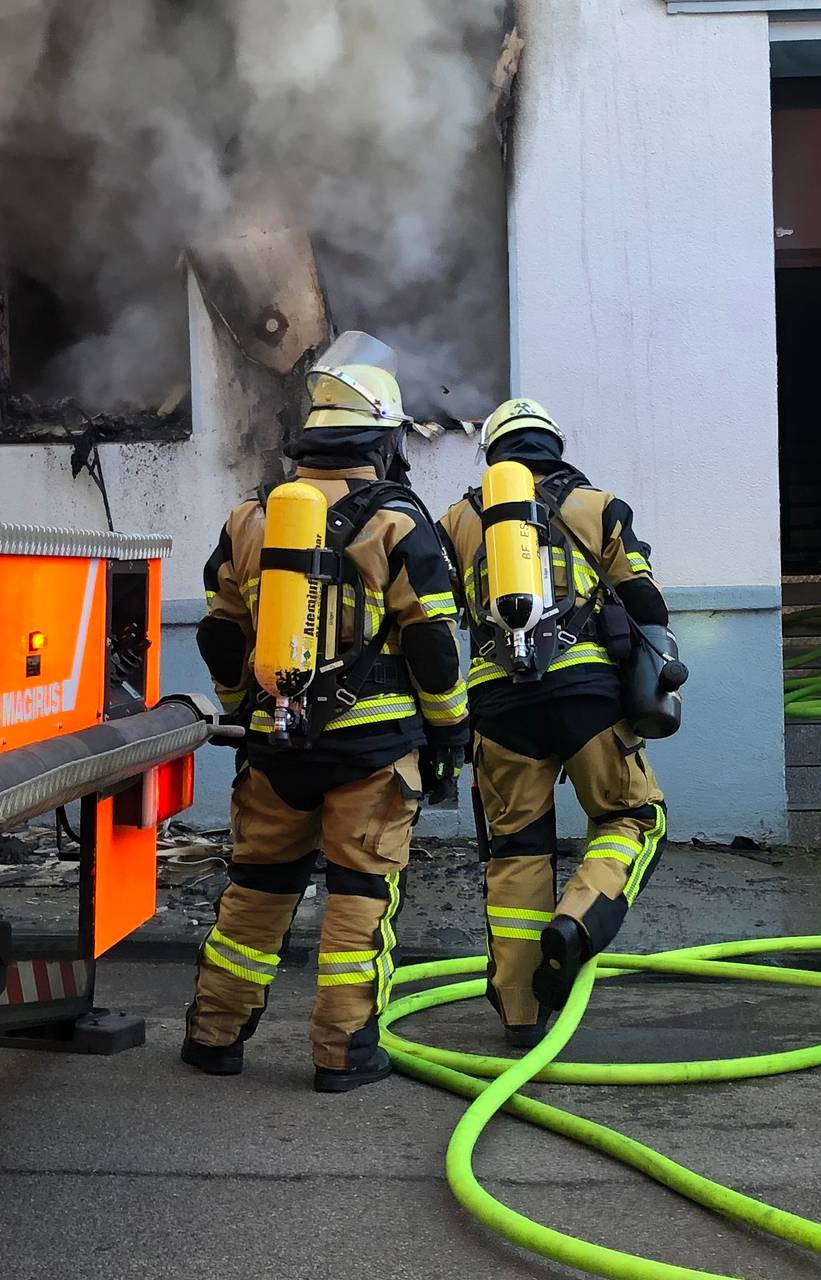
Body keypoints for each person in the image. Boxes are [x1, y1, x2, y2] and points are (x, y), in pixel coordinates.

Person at [180, 362, 469, 1093]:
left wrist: (247, 704)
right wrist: (449, 732)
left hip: (274, 748)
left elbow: (219, 633)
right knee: (359, 897)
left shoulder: (250, 518)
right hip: (371, 751)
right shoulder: (398, 520)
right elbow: (433, 643)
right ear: (382, 444)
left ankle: (214, 1036)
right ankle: (343, 1055)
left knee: (256, 888)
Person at [437, 399, 684, 1046]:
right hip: (587, 694)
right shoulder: (597, 505)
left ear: (492, 453)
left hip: (496, 704)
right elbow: (643, 597)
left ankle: (521, 1015)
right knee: (633, 816)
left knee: (515, 850)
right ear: (555, 444)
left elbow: (439, 616)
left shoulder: (458, 520)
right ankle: (578, 921)